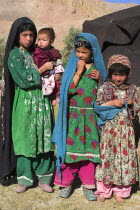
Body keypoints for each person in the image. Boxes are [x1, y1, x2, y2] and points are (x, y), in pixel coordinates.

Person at [1, 17, 55, 193]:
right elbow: (24, 79)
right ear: (17, 36)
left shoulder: (38, 52)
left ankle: (45, 177)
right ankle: (24, 179)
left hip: (43, 102)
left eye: (32, 35)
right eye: (25, 35)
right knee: (25, 138)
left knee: (44, 138)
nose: (29, 39)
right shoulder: (14, 54)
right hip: (25, 102)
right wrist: (41, 70)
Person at [52, 33, 107, 201]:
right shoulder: (72, 68)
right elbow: (67, 91)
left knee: (89, 152)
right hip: (73, 116)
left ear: (93, 52)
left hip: (90, 117)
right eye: (78, 51)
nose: (80, 55)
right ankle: (66, 183)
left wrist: (99, 81)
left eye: (84, 52)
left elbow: (103, 93)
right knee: (68, 150)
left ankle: (88, 185)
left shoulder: (97, 71)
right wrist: (78, 72)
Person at [94, 54, 139, 203]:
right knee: (107, 158)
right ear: (110, 73)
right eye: (115, 74)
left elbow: (137, 112)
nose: (118, 78)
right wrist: (113, 102)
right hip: (109, 132)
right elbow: (98, 107)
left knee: (123, 161)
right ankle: (104, 190)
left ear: (128, 74)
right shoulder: (104, 87)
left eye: (122, 75)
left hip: (126, 132)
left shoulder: (133, 90)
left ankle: (120, 190)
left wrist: (132, 103)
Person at [33, 28, 64, 106]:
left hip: (50, 74)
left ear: (51, 41)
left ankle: (54, 97)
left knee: (54, 84)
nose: (40, 42)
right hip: (39, 74)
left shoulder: (53, 52)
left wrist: (58, 73)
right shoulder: (35, 50)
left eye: (44, 40)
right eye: (39, 39)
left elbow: (58, 62)